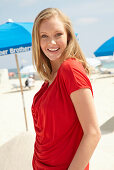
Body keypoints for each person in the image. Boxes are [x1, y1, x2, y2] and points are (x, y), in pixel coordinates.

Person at [31, 8, 101, 170]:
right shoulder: (49, 80)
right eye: (44, 36)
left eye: (58, 34)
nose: (51, 42)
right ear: (38, 41)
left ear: (68, 36)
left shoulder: (70, 70)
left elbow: (93, 133)